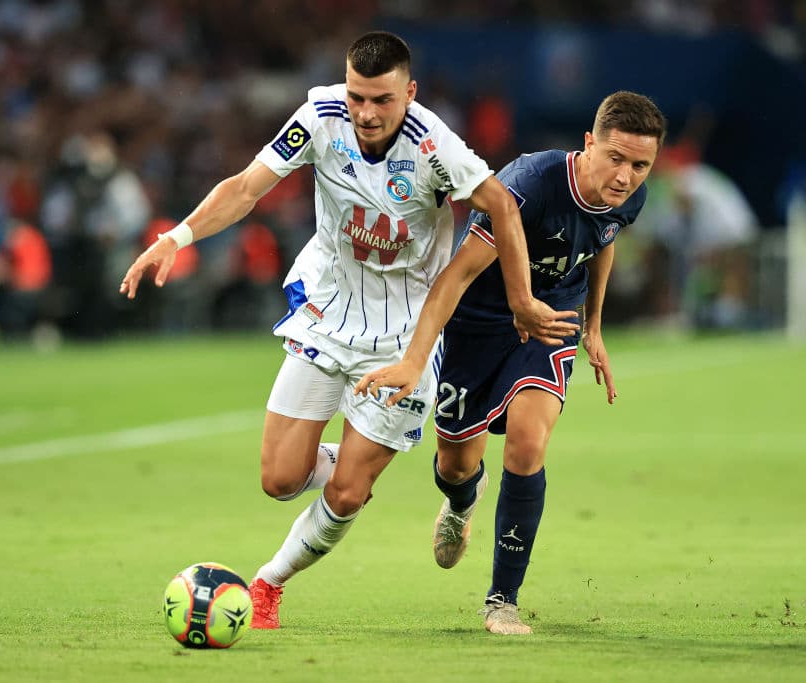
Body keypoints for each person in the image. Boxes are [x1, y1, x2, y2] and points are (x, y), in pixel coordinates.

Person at [119, 31, 568, 629]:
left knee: (348, 493)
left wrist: (521, 299)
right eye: (358, 96)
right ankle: (362, 453)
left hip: (405, 335)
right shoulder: (320, 117)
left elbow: (503, 206)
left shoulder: (436, 147)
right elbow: (248, 187)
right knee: (279, 480)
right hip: (328, 313)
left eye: (382, 99)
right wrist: (176, 237)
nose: (366, 112)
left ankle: (268, 583)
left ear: (409, 93)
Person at [356, 91, 666, 634]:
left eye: (641, 165)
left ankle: (503, 599)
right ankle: (461, 500)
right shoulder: (527, 185)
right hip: (477, 324)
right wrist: (414, 361)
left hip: (550, 321)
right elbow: (454, 277)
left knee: (529, 440)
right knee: (455, 465)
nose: (626, 176)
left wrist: (593, 326)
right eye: (616, 158)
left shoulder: (628, 198)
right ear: (589, 143)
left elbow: (603, 240)